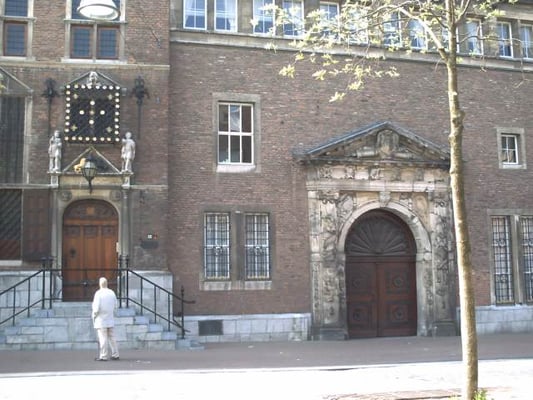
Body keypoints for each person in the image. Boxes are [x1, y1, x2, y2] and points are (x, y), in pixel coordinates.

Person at [92, 277, 120, 361]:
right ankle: (115, 354)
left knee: (103, 338)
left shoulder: (98, 293)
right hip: (110, 318)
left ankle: (103, 356)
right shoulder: (112, 292)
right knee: (112, 338)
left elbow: (96, 308)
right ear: (107, 283)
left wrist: (94, 315)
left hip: (101, 319)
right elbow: (116, 305)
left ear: (100, 284)